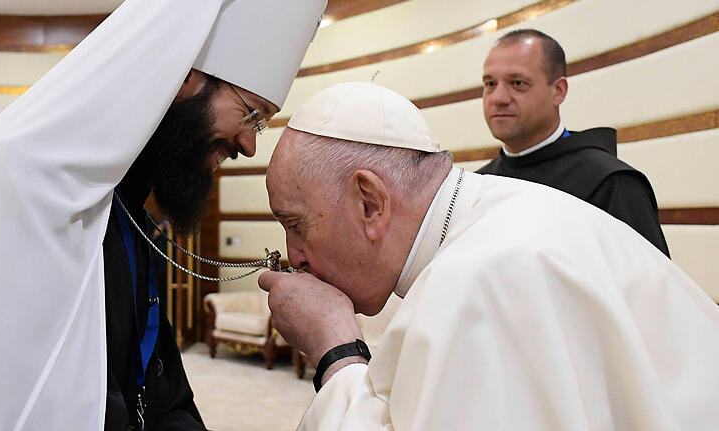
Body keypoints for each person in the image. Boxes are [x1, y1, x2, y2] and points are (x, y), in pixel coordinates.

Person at [0, 0, 326, 431]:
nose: (249, 145)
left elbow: (157, 387)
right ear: (187, 76)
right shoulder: (15, 183)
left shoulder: (124, 210)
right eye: (251, 115)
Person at [259, 82, 719, 430]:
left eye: (296, 225)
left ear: (370, 203)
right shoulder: (501, 212)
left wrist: (335, 349)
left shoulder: (480, 280)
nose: (294, 255)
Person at [476, 29, 670, 257]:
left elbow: (651, 287)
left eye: (517, 83)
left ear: (558, 91)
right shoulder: (478, 185)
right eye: (490, 84)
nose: (498, 98)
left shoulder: (610, 184)